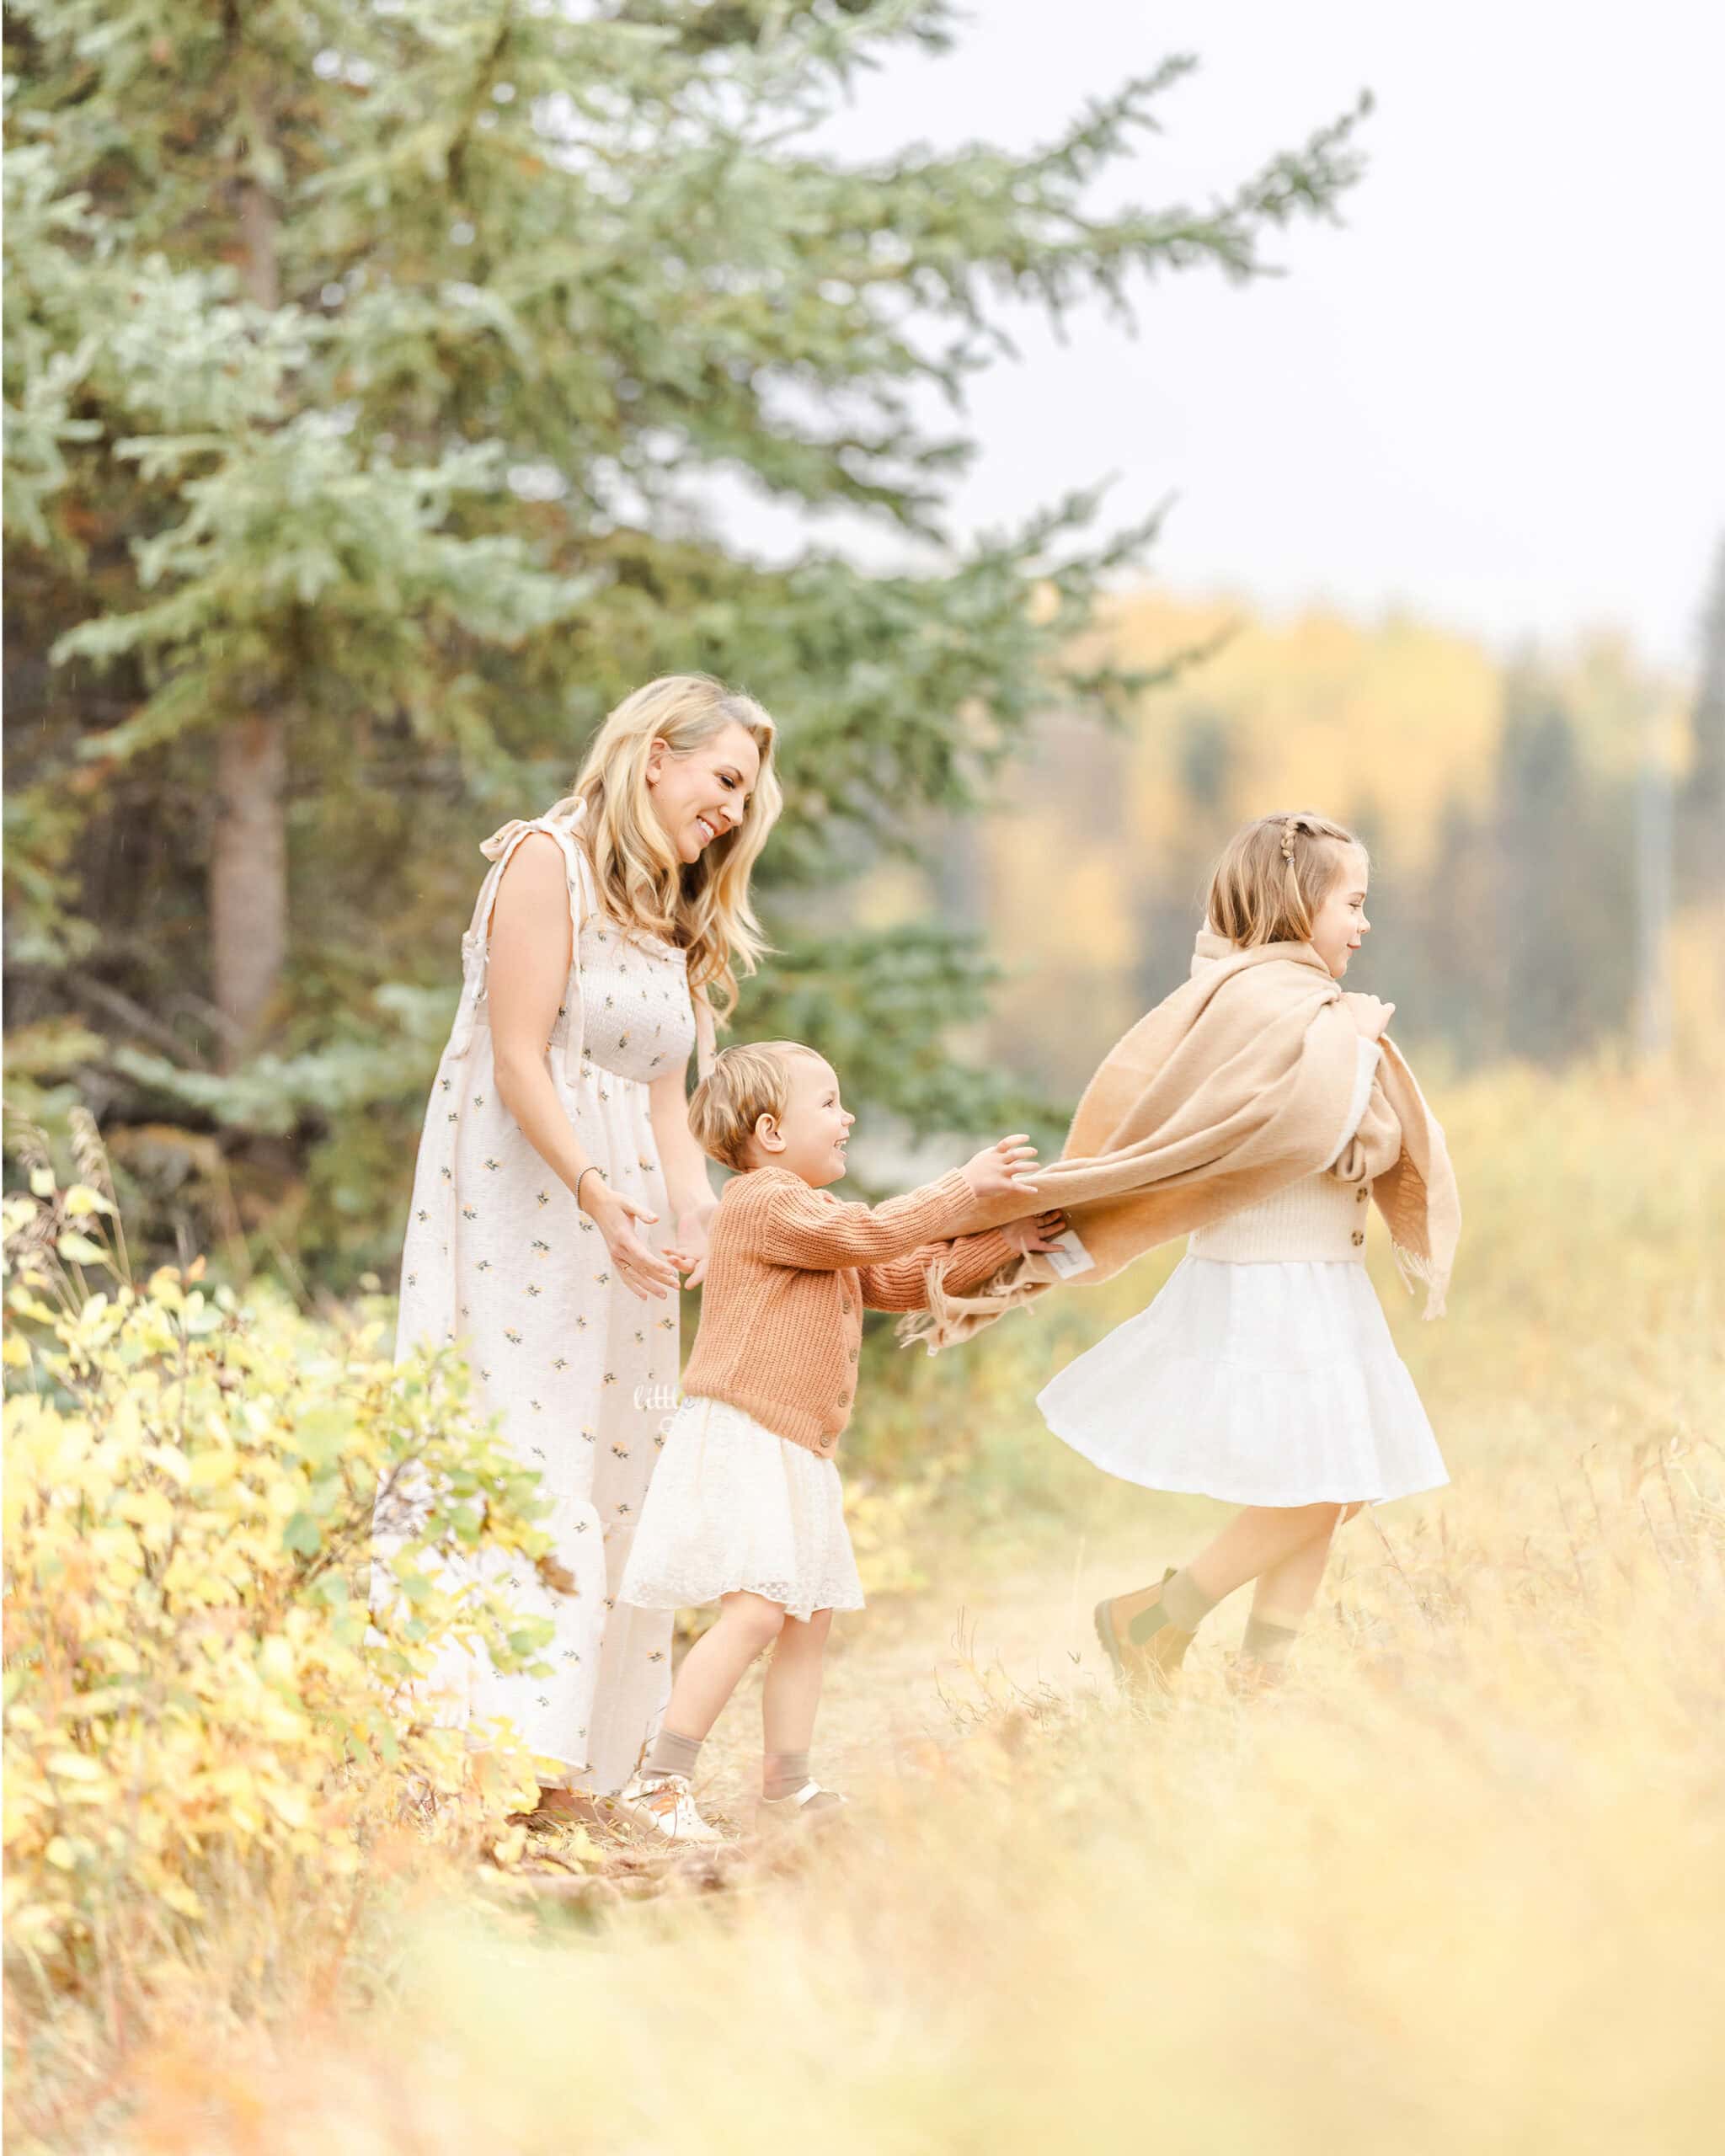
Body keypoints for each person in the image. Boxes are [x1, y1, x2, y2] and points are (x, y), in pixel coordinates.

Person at [380, 675, 781, 1813]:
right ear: (656, 753)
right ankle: (483, 1770)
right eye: (725, 782)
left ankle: (580, 1780)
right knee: (532, 1457)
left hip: (625, 1234)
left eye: (747, 800)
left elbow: (666, 1102)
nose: (733, 815)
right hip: (525, 1199)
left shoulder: (665, 903)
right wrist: (600, 1195)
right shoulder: (544, 862)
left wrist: (695, 1217)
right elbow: (515, 1058)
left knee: (618, 1474)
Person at [1034, 811, 1456, 1692]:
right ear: (1299, 901)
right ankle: (1152, 1619)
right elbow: (1278, 1125)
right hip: (1272, 1278)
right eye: (1352, 901)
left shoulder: (1308, 1009)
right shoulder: (1259, 1004)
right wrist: (1355, 1075)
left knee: (1330, 1483)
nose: (1363, 922)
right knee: (1326, 1478)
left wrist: (1355, 1060)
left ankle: (1256, 1682)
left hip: (1319, 1276)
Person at [614, 1041, 1066, 1839]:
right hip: (748, 1430)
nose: (847, 1114)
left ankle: (785, 1786)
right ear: (770, 1132)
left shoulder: (811, 1220)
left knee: (806, 1616)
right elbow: (869, 1238)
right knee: (755, 1613)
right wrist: (966, 1189)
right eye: (828, 1102)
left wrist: (1006, 1244)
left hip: (794, 1443)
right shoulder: (760, 1202)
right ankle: (658, 1783)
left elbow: (889, 1278)